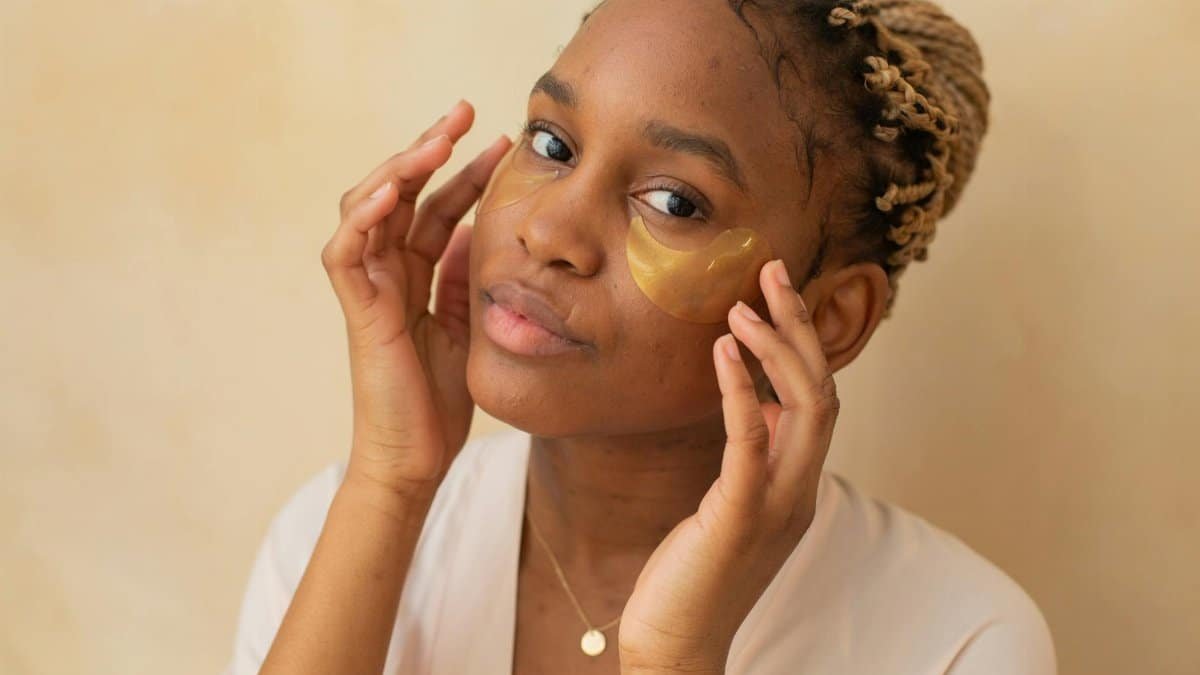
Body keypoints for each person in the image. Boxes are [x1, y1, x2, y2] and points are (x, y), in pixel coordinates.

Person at [225, 0, 1056, 673]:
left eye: (674, 202)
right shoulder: (337, 531)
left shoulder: (959, 641)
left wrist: (674, 657)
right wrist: (391, 481)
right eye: (553, 144)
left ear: (830, 315)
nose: (547, 229)